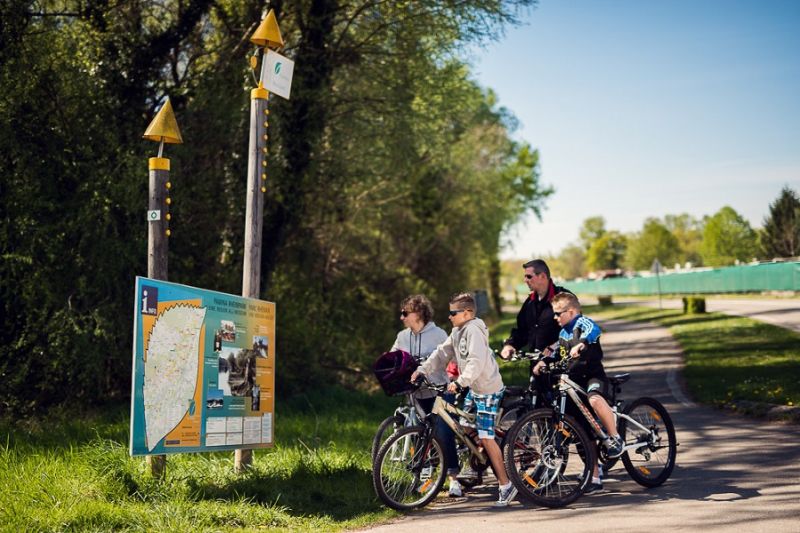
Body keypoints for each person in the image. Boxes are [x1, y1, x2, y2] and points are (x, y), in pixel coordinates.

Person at [411, 292, 516, 507]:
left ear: (467, 313)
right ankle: (478, 461)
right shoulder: (458, 330)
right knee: (465, 427)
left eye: (453, 313)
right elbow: (442, 352)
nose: (449, 316)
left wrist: (460, 382)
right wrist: (423, 370)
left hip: (487, 388)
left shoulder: (474, 330)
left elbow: (476, 362)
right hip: (473, 387)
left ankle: (506, 485)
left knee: (486, 436)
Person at [532, 292, 624, 493]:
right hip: (573, 382)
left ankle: (615, 437)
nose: (555, 318)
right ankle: (595, 476)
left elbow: (594, 330)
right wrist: (543, 362)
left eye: (558, 314)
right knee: (583, 431)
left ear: (571, 311)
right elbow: (557, 353)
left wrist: (582, 343)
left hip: (592, 376)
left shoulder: (583, 323)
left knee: (595, 399)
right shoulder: (563, 333)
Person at [390, 294, 462, 497]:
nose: (402, 317)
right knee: (419, 435)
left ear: (418, 313)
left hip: (439, 390)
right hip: (416, 393)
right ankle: (426, 477)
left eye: (405, 313)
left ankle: (453, 478)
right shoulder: (402, 336)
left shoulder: (438, 334)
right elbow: (393, 357)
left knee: (444, 434)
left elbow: (453, 356)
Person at [500, 259, 572, 367]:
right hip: (536, 368)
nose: (525, 280)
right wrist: (510, 345)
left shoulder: (564, 298)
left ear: (542, 276)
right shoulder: (529, 303)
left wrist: (555, 347)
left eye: (529, 276)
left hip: (562, 367)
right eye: (525, 277)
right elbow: (522, 331)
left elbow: (575, 330)